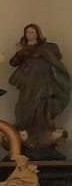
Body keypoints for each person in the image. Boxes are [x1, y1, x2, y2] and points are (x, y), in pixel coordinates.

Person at [9, 23, 71, 152]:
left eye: (32, 32)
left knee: (42, 106)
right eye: (27, 32)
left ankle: (44, 136)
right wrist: (19, 52)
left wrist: (27, 51)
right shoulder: (23, 48)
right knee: (25, 105)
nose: (30, 34)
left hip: (44, 84)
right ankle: (25, 134)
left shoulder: (46, 47)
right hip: (28, 84)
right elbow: (13, 62)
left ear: (38, 33)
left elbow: (54, 56)